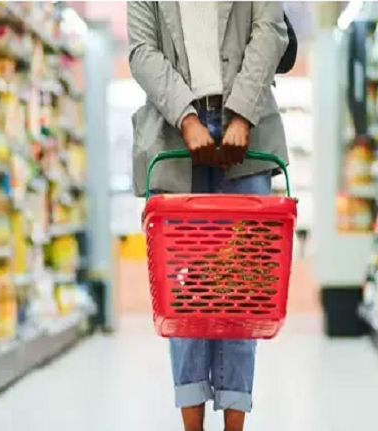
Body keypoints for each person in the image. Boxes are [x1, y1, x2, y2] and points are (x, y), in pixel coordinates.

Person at [127, 2, 289, 430]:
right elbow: (142, 50)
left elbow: (270, 30)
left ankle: (236, 425)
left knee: (242, 290)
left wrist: (241, 113)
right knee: (184, 291)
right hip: (173, 130)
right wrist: (186, 116)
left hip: (248, 131)